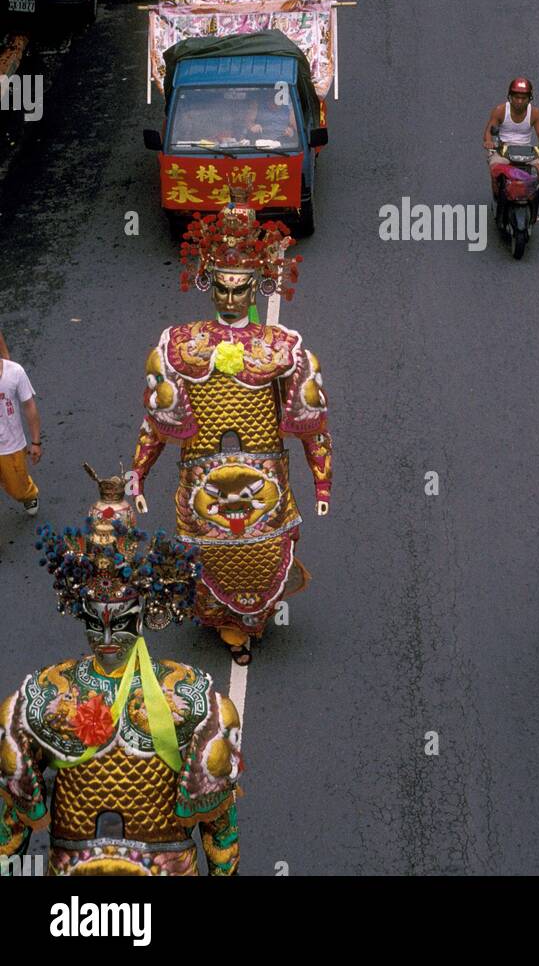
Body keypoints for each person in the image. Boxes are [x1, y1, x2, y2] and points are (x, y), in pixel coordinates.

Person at [129, 179, 332, 665]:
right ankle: (230, 624)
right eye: (222, 286)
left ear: (257, 286)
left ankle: (252, 620)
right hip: (203, 476)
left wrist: (322, 483)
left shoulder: (282, 347)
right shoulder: (179, 343)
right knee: (213, 555)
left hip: (266, 478)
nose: (231, 298)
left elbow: (312, 418)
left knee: (262, 552)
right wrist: (139, 473)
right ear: (207, 281)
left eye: (240, 289)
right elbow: (156, 420)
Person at [0, 467, 240, 876]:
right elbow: (11, 830)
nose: (107, 636)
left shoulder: (196, 699)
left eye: (121, 620)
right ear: (81, 614)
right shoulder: (39, 698)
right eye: (96, 621)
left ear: (145, 615)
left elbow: (220, 829)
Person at [483, 78, 539, 196]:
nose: (519, 101)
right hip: (503, 149)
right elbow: (488, 132)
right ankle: (497, 198)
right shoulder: (500, 111)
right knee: (494, 171)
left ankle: (532, 198)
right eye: (516, 97)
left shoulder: (535, 113)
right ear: (510, 97)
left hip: (526, 150)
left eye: (523, 98)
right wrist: (488, 142)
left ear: (529, 98)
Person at [0, 355, 40, 516]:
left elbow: (29, 406)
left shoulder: (15, 372)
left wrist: (36, 442)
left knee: (17, 488)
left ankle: (27, 493)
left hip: (10, 446)